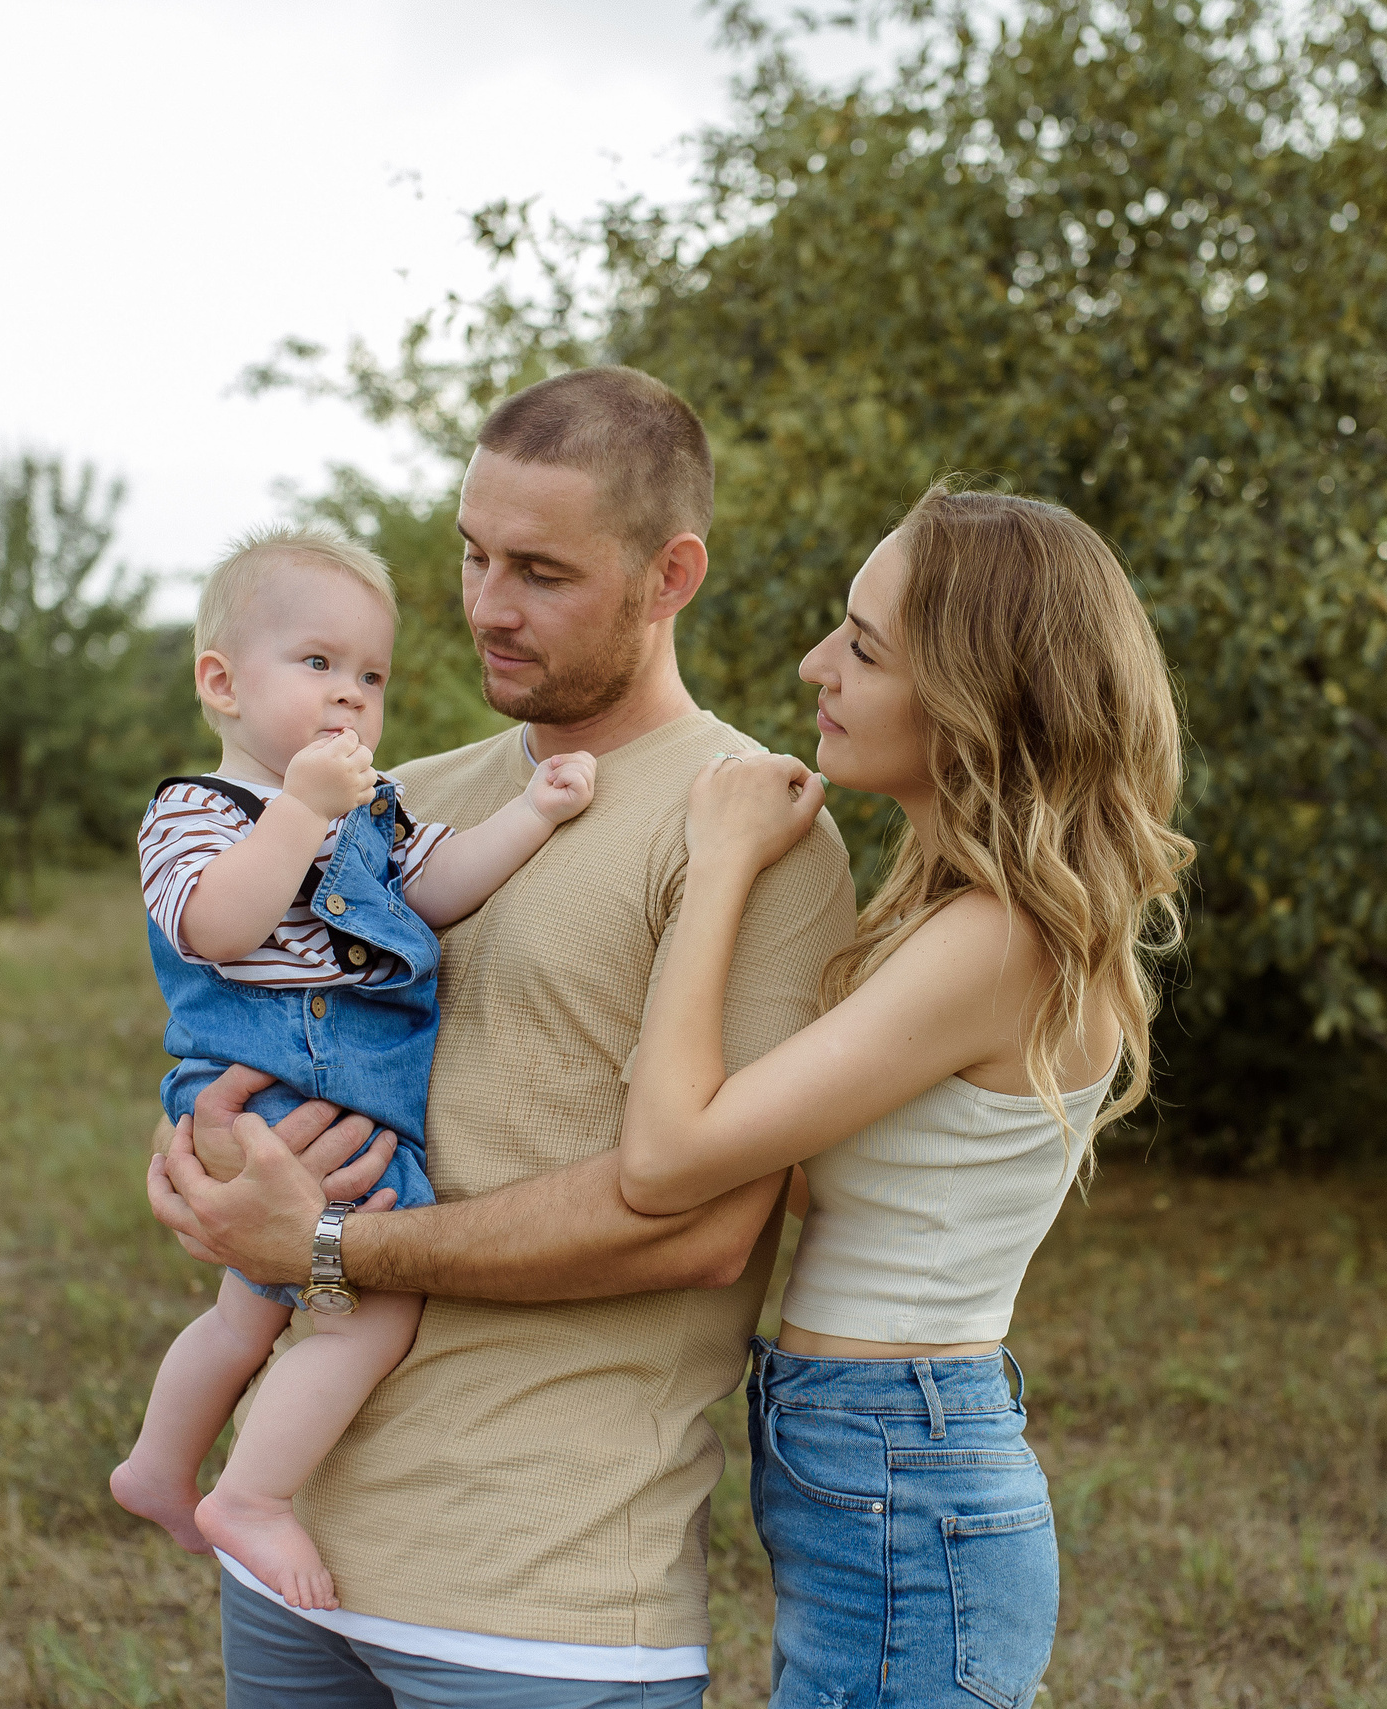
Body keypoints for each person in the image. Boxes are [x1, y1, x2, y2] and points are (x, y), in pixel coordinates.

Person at [148, 367, 858, 1707]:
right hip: (297, 1561)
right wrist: (196, 1169)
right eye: (473, 556)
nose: (484, 606)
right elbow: (243, 1017)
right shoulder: (394, 796)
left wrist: (328, 1244)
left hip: (538, 1605)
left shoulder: (755, 828)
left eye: (539, 570)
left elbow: (707, 1228)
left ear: (671, 573)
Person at [613, 483, 1193, 1705]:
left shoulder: (998, 941)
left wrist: (717, 863)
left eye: (865, 647)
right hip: (877, 1444)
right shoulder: (954, 921)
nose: (819, 663)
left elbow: (667, 1156)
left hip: (900, 1459)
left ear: (979, 701)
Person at [110, 524, 598, 1612]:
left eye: (371, 675)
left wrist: (533, 811)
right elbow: (220, 925)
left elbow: (437, 889)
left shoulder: (372, 813)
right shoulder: (192, 811)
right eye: (318, 664)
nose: (350, 698)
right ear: (221, 683)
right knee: (372, 1307)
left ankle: (156, 1464)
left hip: (327, 1097)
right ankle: (254, 1495)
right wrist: (298, 810)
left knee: (248, 1310)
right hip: (271, 1086)